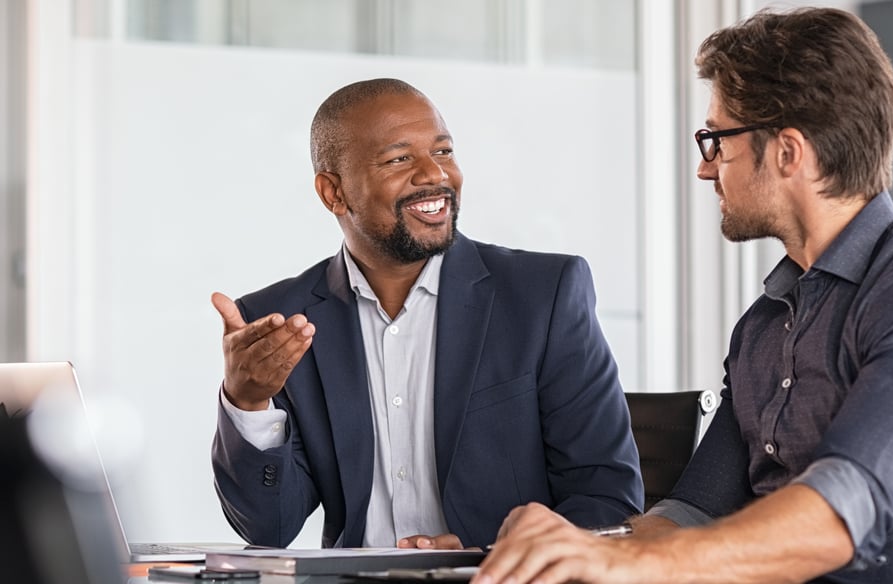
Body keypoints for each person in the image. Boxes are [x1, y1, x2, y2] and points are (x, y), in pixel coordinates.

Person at [473, 7, 893, 584]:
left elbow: (837, 515)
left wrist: (624, 561)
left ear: (788, 152)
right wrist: (554, 552)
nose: (706, 171)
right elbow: (689, 515)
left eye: (716, 141)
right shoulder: (764, 324)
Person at [209, 78, 643, 551]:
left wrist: (490, 557)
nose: (434, 174)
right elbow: (268, 529)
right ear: (333, 193)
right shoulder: (280, 322)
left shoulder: (543, 296)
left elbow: (607, 500)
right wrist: (247, 403)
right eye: (399, 159)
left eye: (443, 151)